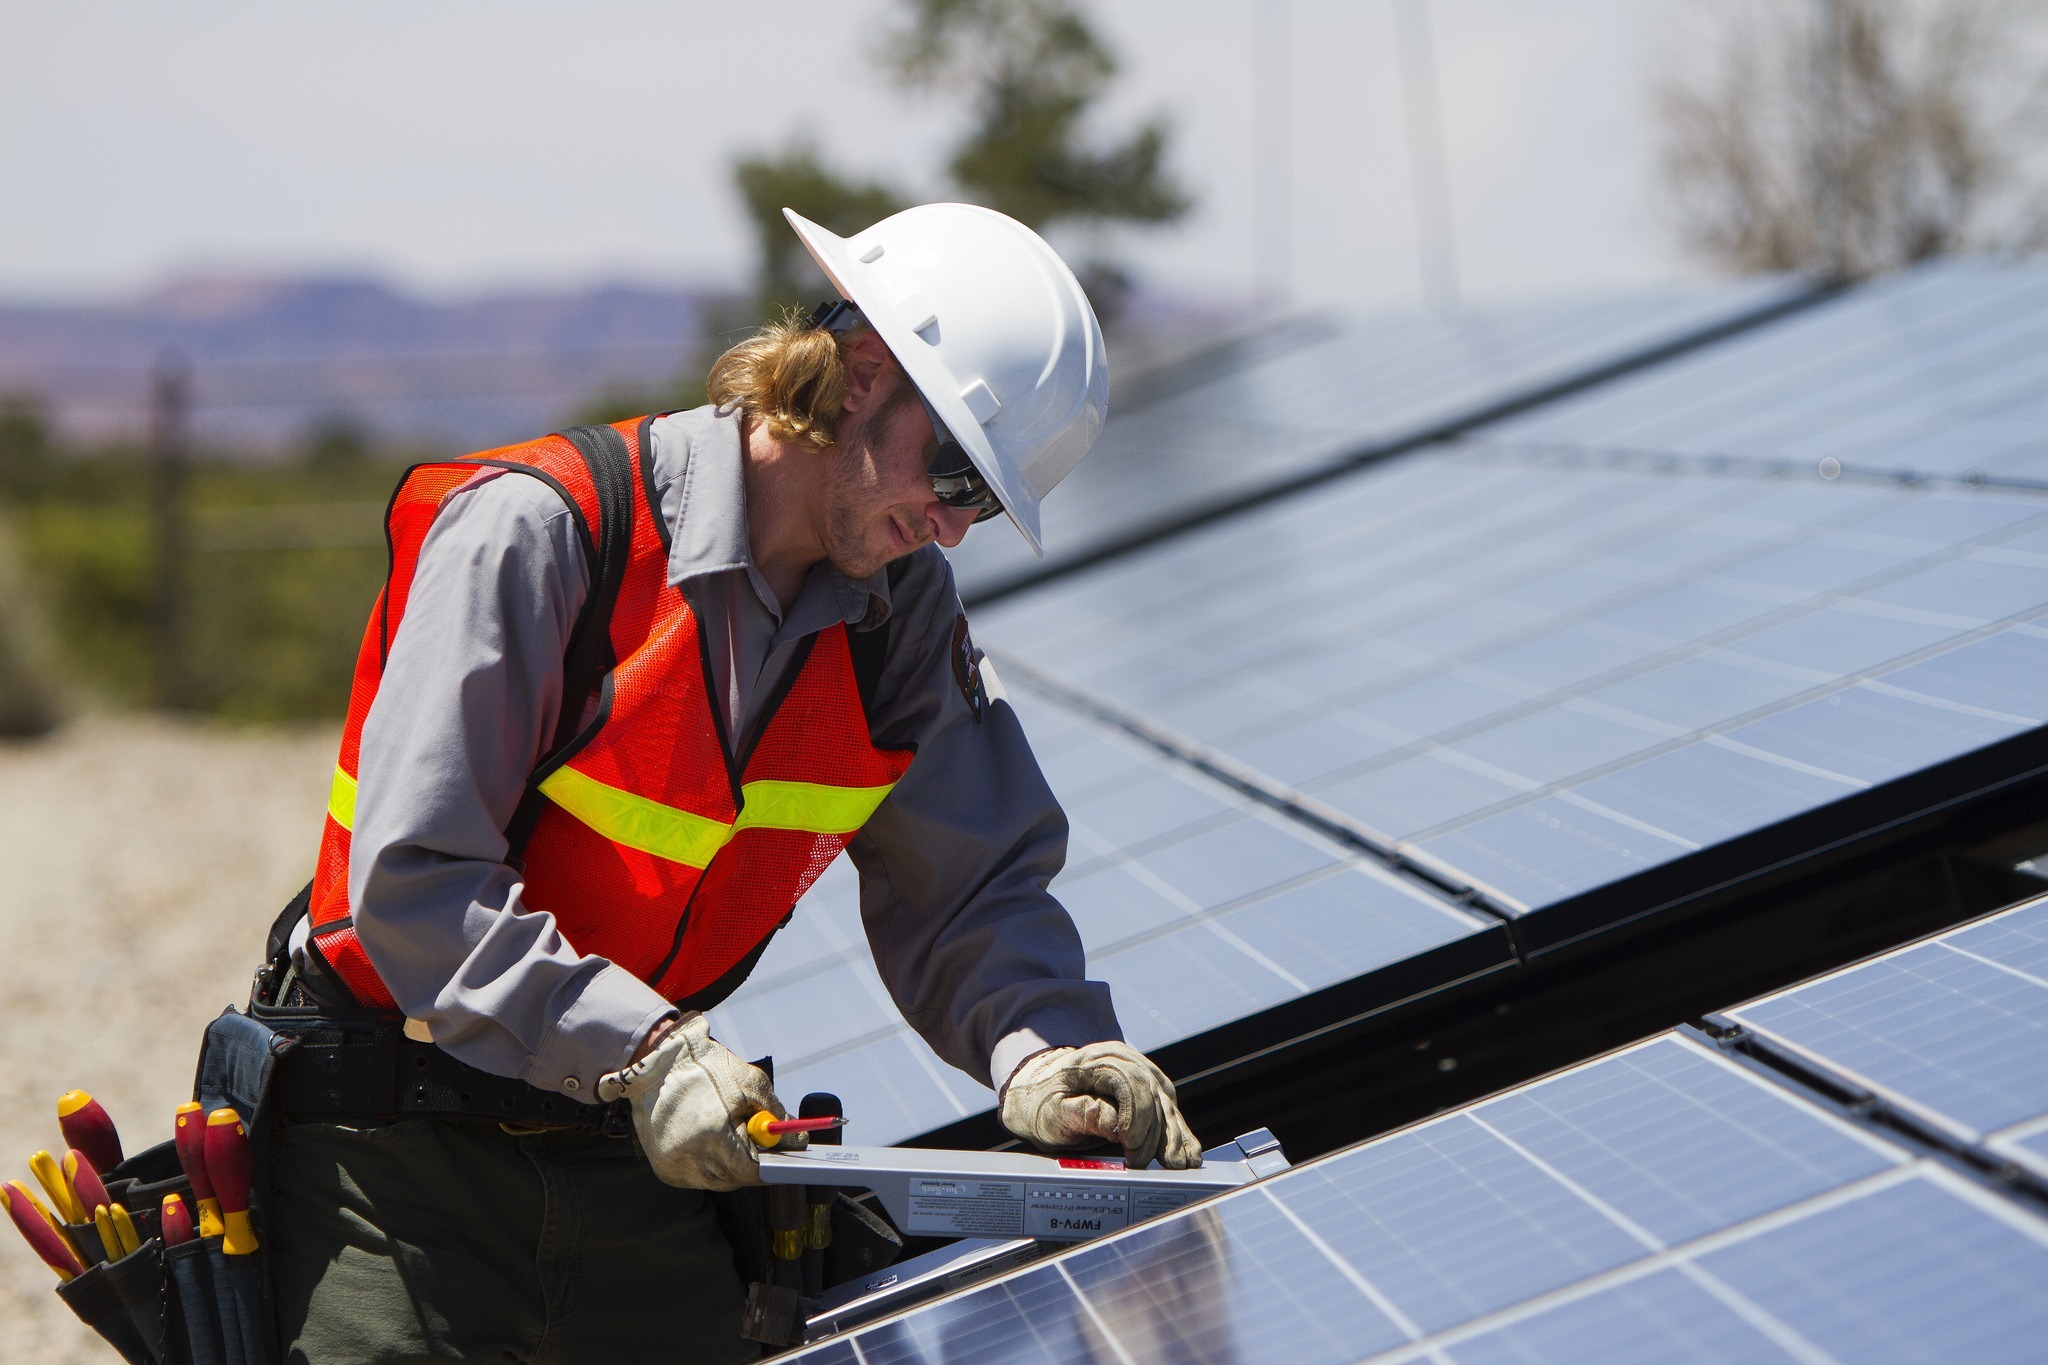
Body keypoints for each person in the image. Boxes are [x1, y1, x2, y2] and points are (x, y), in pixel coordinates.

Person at [258, 203, 1201, 1363]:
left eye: (982, 504)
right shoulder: (542, 533)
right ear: (858, 373)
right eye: (950, 470)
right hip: (397, 1146)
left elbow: (968, 889)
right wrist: (643, 1048)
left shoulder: (896, 617)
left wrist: (1049, 1049)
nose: (949, 530)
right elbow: (412, 884)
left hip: (626, 1143)